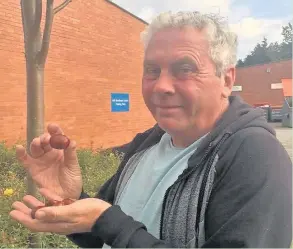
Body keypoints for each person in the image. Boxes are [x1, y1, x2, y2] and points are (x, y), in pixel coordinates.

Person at [10, 11, 292, 248]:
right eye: (152, 70)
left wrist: (108, 222)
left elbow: (114, 227)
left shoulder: (255, 156)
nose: (161, 86)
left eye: (184, 68)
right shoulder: (147, 143)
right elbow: (104, 234)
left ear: (226, 80)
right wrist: (72, 200)